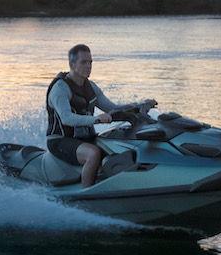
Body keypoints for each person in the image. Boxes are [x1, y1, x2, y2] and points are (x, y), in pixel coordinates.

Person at [45, 43, 155, 188]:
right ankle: (87, 195)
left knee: (119, 147)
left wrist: (140, 105)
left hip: (85, 138)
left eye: (90, 62)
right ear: (72, 64)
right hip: (60, 141)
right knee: (93, 154)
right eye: (84, 62)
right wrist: (96, 119)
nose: (89, 66)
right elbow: (67, 118)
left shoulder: (91, 87)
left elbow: (113, 108)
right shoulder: (60, 88)